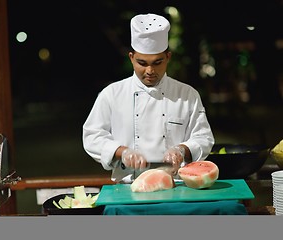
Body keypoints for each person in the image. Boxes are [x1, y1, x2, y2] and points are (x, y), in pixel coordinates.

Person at [82, 13, 215, 183]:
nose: (150, 70)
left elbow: (203, 137)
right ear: (131, 58)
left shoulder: (187, 94)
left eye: (157, 62)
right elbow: (92, 136)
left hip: (176, 184)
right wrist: (122, 151)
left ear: (168, 57)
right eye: (142, 63)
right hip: (127, 184)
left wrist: (182, 150)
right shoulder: (111, 94)